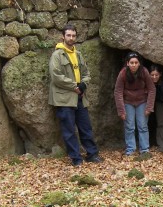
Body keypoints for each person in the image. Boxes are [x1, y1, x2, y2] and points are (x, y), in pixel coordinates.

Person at [48, 24, 102, 166]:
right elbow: (56, 76)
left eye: (73, 35)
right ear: (63, 37)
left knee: (86, 127)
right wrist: (74, 86)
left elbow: (86, 73)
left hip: (79, 97)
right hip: (64, 99)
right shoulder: (57, 55)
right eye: (68, 35)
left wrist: (83, 84)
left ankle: (92, 154)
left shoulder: (78, 54)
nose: (71, 38)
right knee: (69, 130)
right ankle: (76, 159)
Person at [114, 52, 156, 156]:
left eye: (136, 62)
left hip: (142, 101)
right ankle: (130, 149)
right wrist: (121, 110)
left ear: (139, 63)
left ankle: (144, 150)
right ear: (127, 63)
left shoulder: (144, 72)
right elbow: (118, 91)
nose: (133, 65)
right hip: (128, 102)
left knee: (142, 126)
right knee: (129, 127)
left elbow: (152, 89)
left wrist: (149, 107)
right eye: (131, 62)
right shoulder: (123, 73)